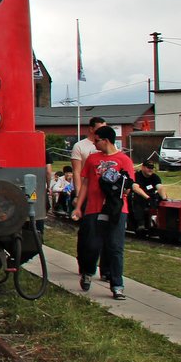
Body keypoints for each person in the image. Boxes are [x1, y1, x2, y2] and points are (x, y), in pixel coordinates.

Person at [71, 126, 150, 300]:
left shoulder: (124, 160)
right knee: (91, 245)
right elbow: (85, 183)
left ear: (105, 140)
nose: (94, 143)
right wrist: (79, 205)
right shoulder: (92, 159)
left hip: (116, 210)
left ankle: (117, 285)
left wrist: (119, 188)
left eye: (97, 140)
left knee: (115, 247)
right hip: (94, 208)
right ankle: (88, 271)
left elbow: (128, 185)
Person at [71, 117, 109, 279]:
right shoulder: (80, 147)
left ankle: (106, 270)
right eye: (100, 128)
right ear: (91, 129)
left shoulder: (106, 146)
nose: (102, 131)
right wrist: (79, 195)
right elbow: (77, 172)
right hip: (87, 194)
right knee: (87, 233)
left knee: (107, 233)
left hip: (105, 195)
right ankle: (85, 265)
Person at [129, 160, 165, 234]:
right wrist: (147, 198)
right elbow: (136, 188)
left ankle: (159, 223)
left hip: (151, 196)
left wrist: (164, 199)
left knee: (159, 199)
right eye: (148, 167)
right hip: (138, 197)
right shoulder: (136, 175)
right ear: (143, 167)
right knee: (137, 197)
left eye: (152, 168)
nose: (150, 169)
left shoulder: (155, 177)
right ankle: (140, 223)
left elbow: (160, 188)